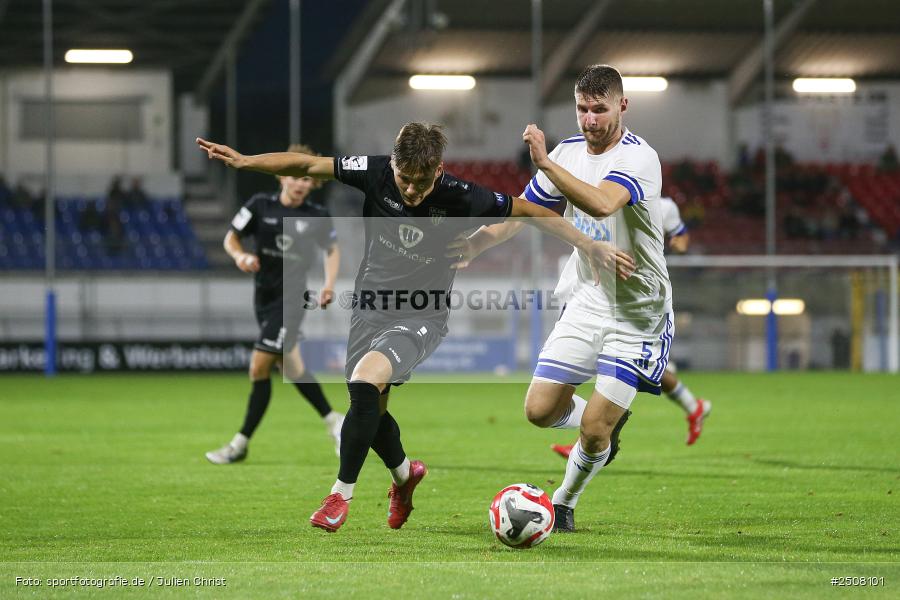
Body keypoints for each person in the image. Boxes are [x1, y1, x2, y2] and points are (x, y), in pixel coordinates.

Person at [197, 122, 634, 533]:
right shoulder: (372, 172)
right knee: (371, 407)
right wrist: (246, 161)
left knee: (366, 383)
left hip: (421, 314)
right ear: (392, 164)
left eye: (421, 182)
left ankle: (339, 496)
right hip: (368, 311)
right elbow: (309, 166)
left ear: (438, 171)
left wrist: (589, 243)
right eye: (404, 179)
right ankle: (405, 476)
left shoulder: (460, 195)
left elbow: (528, 211)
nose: (411, 189)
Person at [458, 64, 673, 532]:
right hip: (588, 300)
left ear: (622, 106)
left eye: (600, 109)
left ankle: (564, 501)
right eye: (582, 109)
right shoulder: (568, 152)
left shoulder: (640, 158)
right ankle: (602, 427)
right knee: (539, 411)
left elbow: (601, 202)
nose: (590, 120)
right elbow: (527, 212)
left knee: (595, 429)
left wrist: (546, 163)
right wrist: (475, 244)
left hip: (638, 312)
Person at [205, 143, 345, 465]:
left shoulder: (317, 216)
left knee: (259, 366)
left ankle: (239, 444)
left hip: (292, 300)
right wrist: (240, 255)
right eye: (294, 176)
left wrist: (328, 285)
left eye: (306, 179)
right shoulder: (260, 206)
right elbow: (231, 237)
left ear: (314, 183)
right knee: (291, 368)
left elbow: (332, 250)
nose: (300, 183)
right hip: (264, 298)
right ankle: (333, 420)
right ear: (281, 176)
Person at [549, 196, 711, 458]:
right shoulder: (594, 200)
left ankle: (595, 433)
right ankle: (693, 407)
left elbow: (680, 236)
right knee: (634, 369)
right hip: (593, 295)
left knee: (630, 370)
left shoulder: (664, 207)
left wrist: (668, 249)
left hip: (639, 300)